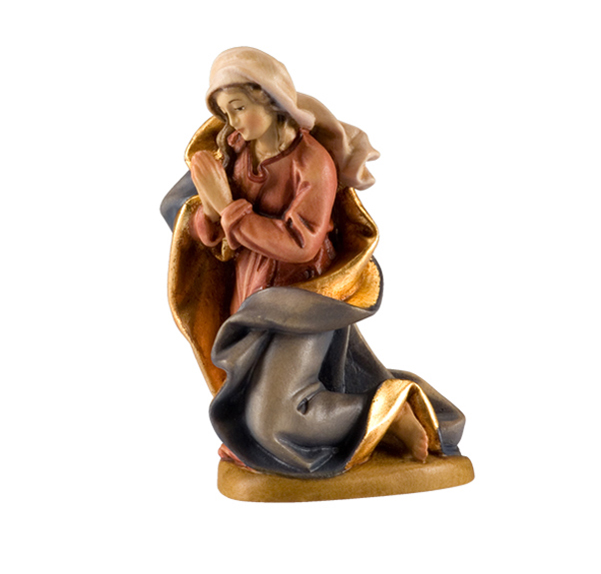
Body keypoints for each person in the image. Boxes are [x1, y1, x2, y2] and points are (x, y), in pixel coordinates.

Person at [161, 47, 466, 478]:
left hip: (302, 301)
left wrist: (228, 210)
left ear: (270, 98)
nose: (233, 122)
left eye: (240, 108)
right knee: (249, 402)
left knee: (281, 421)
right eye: (226, 113)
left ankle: (390, 408)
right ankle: (334, 425)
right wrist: (210, 213)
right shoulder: (236, 150)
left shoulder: (311, 163)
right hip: (251, 294)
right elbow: (216, 237)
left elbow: (300, 243)